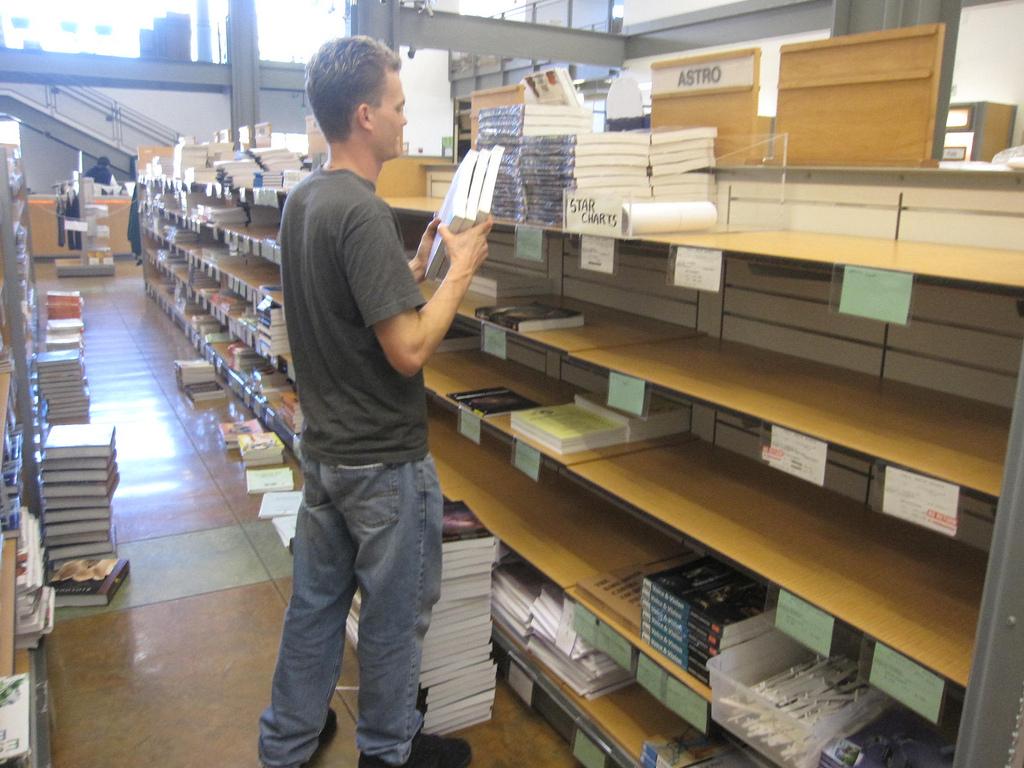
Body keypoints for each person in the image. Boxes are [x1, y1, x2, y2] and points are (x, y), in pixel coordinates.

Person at [258, 36, 492, 768]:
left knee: (316, 609)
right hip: (382, 466)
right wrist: (458, 273)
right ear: (364, 116)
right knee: (393, 622)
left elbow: (347, 310)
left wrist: (412, 268)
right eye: (395, 105)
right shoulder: (360, 213)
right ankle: (387, 754)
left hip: (326, 453)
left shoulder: (309, 198)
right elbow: (408, 350)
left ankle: (286, 744)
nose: (403, 119)